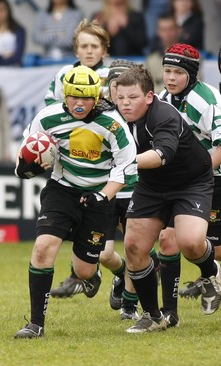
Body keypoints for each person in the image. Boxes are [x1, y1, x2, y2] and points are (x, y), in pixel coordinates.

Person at [13, 65, 138, 338]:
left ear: (97, 97)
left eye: (86, 98)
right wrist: (24, 167)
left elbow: (125, 168)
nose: (79, 103)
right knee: (43, 249)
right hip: (62, 190)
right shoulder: (47, 118)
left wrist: (103, 195)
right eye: (73, 97)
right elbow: (27, 151)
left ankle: (98, 275)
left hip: (99, 196)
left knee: (84, 269)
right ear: (64, 95)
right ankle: (36, 324)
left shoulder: (112, 124)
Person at [115, 65, 221, 334]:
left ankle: (210, 270)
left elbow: (162, 154)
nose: (125, 104)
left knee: (191, 243)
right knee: (133, 248)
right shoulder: (114, 116)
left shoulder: (164, 115)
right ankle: (154, 316)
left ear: (149, 97)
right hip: (151, 186)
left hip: (191, 183)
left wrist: (124, 163)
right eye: (121, 97)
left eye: (133, 98)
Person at [50, 59, 160, 321]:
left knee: (137, 249)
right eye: (115, 89)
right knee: (104, 253)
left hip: (137, 190)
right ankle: (122, 274)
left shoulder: (147, 115)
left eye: (128, 92)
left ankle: (130, 305)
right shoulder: (97, 116)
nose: (121, 97)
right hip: (108, 192)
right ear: (107, 90)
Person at [157, 44, 221, 313]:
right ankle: (168, 314)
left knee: (209, 249)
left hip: (219, 180)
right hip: (186, 183)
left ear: (191, 75)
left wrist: (199, 171)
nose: (170, 77)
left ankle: (212, 270)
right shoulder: (164, 98)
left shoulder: (202, 100)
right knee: (168, 239)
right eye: (167, 70)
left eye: (177, 72)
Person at [179, 31, 221, 296]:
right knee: (204, 233)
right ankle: (206, 276)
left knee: (210, 238)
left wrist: (220, 122)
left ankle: (207, 275)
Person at [44, 18, 110, 105]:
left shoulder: (110, 75)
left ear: (104, 52)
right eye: (84, 46)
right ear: (76, 51)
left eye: (94, 46)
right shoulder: (65, 73)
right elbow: (50, 102)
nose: (89, 51)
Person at [145, 13, 180, 94]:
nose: (167, 33)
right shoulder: (151, 60)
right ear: (158, 31)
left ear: (178, 30)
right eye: (163, 29)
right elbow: (148, 88)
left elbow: (194, 85)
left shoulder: (189, 57)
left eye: (171, 29)